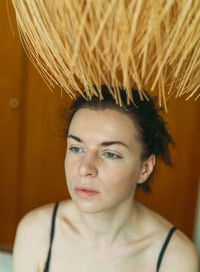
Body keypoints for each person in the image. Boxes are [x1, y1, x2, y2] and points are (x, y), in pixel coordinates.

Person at [13, 86, 199, 271]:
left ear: (145, 169)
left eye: (110, 154)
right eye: (76, 148)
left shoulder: (174, 257)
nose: (85, 168)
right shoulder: (37, 231)